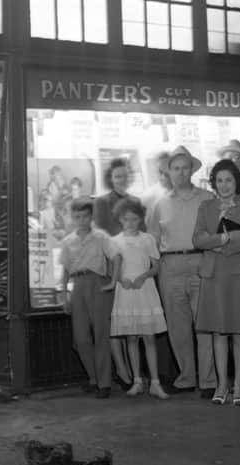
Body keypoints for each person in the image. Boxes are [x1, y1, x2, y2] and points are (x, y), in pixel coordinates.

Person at [148, 146, 216, 396]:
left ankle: (208, 380)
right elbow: (152, 241)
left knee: (204, 325)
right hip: (170, 266)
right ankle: (187, 377)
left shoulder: (208, 198)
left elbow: (218, 232)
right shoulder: (160, 204)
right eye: (175, 168)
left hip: (200, 262)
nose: (180, 172)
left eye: (184, 167)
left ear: (191, 170)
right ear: (169, 172)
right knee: (178, 328)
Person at [193, 160, 240, 406]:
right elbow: (197, 239)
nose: (224, 185)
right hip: (212, 275)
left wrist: (216, 243)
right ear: (214, 183)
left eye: (228, 180)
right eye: (219, 180)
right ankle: (221, 384)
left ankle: (239, 384)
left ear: (236, 181)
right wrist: (223, 239)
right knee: (218, 331)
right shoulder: (206, 206)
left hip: (238, 274)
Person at [106, 197, 168, 399]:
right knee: (131, 337)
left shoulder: (147, 239)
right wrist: (121, 279)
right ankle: (137, 381)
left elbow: (156, 267)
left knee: (149, 337)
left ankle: (155, 382)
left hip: (145, 289)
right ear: (120, 220)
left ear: (141, 219)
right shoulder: (114, 242)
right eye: (126, 219)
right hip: (125, 291)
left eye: (134, 219)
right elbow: (111, 269)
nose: (130, 223)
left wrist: (143, 276)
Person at [58, 198, 116, 398]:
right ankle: (93, 377)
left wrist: (113, 281)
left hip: (98, 282)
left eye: (85, 216)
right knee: (80, 338)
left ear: (91, 217)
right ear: (72, 218)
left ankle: (104, 383)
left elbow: (116, 257)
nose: (81, 220)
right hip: (78, 285)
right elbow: (65, 270)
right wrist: (64, 295)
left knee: (101, 335)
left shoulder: (101, 237)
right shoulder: (68, 241)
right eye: (77, 217)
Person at [92, 157, 140, 385]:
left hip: (134, 265)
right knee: (114, 319)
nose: (122, 179)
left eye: (125, 175)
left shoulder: (136, 201)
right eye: (117, 176)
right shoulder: (102, 202)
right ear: (110, 179)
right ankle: (121, 369)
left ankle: (133, 370)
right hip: (111, 265)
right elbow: (102, 234)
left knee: (130, 320)